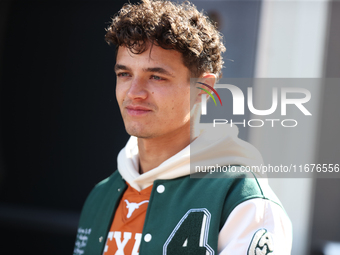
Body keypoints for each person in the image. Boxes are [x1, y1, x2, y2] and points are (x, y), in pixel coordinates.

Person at [73, 0, 292, 254]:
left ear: (204, 89)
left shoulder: (244, 202)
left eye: (156, 76)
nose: (134, 93)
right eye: (124, 74)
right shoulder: (101, 195)